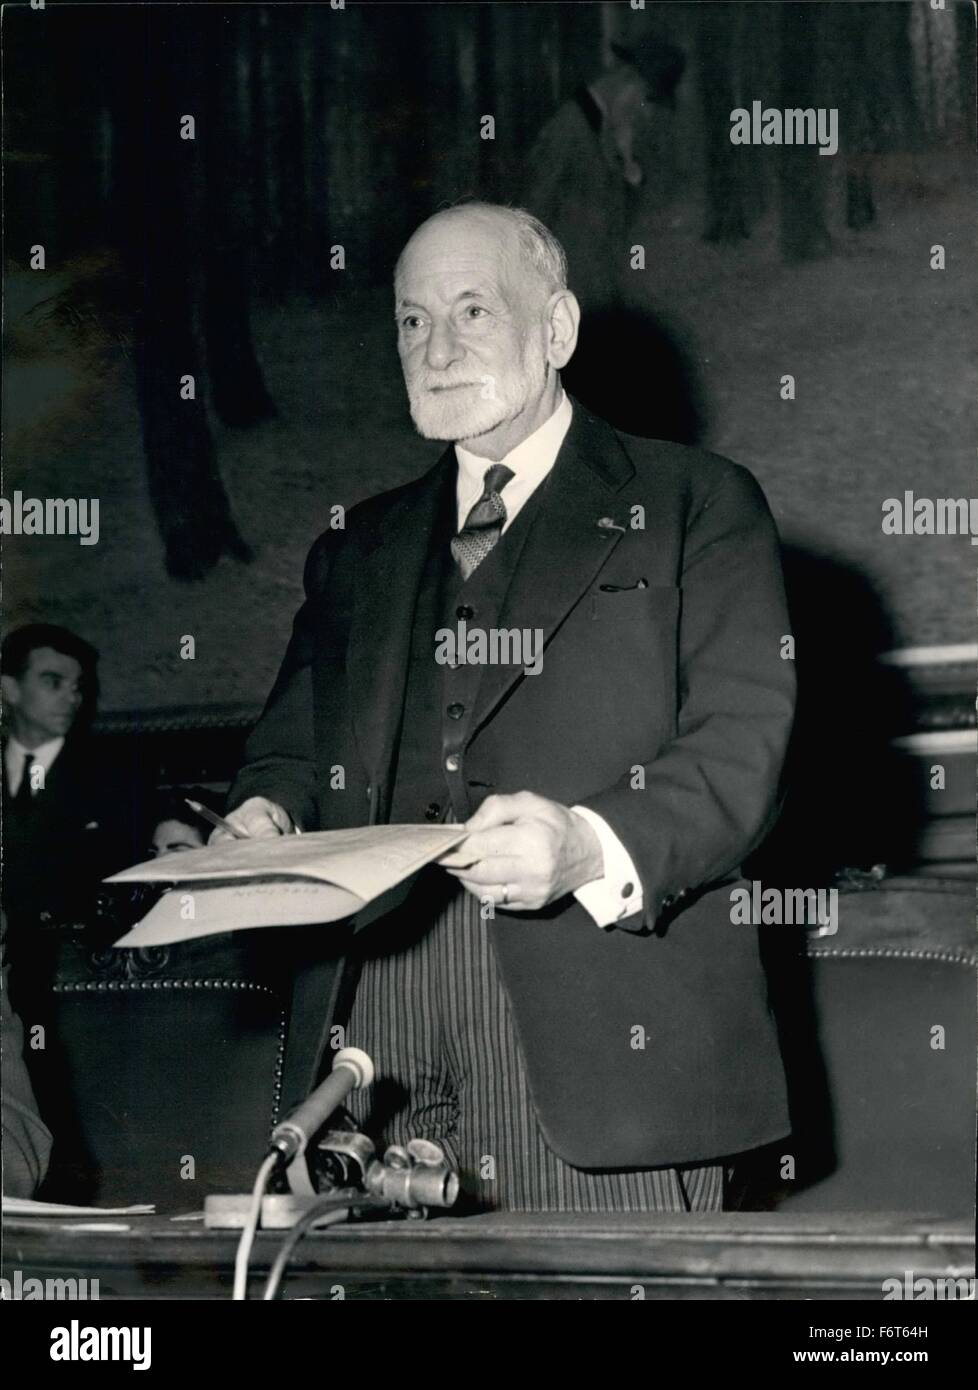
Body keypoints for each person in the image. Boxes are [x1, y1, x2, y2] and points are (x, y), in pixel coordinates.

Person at [222, 203, 796, 1212]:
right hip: (373, 1046)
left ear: (558, 328)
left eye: (473, 311)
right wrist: (266, 811)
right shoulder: (356, 547)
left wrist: (587, 845)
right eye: (411, 321)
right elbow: (293, 751)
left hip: (609, 1039)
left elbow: (747, 747)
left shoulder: (697, 502)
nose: (436, 348)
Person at [521, 36, 686, 310]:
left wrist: (629, 168)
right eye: (646, 98)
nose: (643, 112)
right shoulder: (569, 126)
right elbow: (534, 214)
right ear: (626, 79)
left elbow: (620, 223)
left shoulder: (608, 133)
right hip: (564, 302)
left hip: (597, 297)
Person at [0, 624, 125, 932]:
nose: (73, 699)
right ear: (10, 689)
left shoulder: (114, 775)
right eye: (54, 683)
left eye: (77, 687)